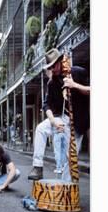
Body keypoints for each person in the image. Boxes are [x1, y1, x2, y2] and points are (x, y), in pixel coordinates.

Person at [28, 48, 90, 181]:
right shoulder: (52, 82)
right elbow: (46, 104)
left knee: (71, 157)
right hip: (60, 117)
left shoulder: (78, 72)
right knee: (40, 129)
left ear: (60, 61)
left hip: (77, 122)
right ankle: (37, 167)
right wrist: (53, 120)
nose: (52, 70)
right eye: (49, 67)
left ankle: (66, 186)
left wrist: (75, 85)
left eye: (53, 66)